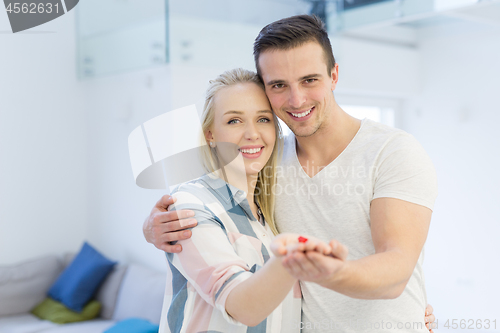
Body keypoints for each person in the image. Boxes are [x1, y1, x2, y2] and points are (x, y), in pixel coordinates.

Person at [147, 15, 438, 332]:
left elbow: (396, 267)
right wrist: (152, 228)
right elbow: (208, 205)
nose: (296, 99)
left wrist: (324, 270)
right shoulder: (265, 159)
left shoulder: (392, 152)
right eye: (279, 85)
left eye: (309, 80)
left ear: (334, 75)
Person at [159, 68, 344, 333]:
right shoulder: (190, 205)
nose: (252, 134)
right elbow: (242, 307)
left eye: (263, 119)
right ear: (210, 134)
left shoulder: (270, 216)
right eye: (234, 121)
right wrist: (292, 259)